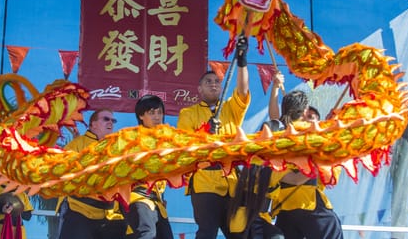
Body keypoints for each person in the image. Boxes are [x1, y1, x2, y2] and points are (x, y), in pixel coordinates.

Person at [177, 36, 250, 239]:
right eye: (208, 82)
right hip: (204, 182)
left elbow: (243, 92)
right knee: (207, 232)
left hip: (232, 183)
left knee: (239, 234)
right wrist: (205, 134)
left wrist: (242, 61)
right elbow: (185, 145)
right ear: (199, 90)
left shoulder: (230, 109)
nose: (214, 84)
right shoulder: (188, 114)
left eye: (217, 81)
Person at [266, 85, 344, 239]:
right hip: (310, 205)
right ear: (303, 112)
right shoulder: (311, 136)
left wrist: (275, 89)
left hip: (285, 208)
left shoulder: (279, 135)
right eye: (308, 113)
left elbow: (274, 117)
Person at [56, 108, 128, 239]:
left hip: (111, 215)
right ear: (93, 124)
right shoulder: (78, 144)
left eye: (113, 120)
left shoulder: (117, 149)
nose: (111, 123)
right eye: (106, 119)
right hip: (78, 210)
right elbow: (60, 171)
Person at [123, 95, 174, 239]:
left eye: (159, 112)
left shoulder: (166, 140)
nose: (157, 117)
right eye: (152, 113)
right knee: (146, 234)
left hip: (157, 202)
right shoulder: (132, 139)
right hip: (138, 197)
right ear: (141, 116)